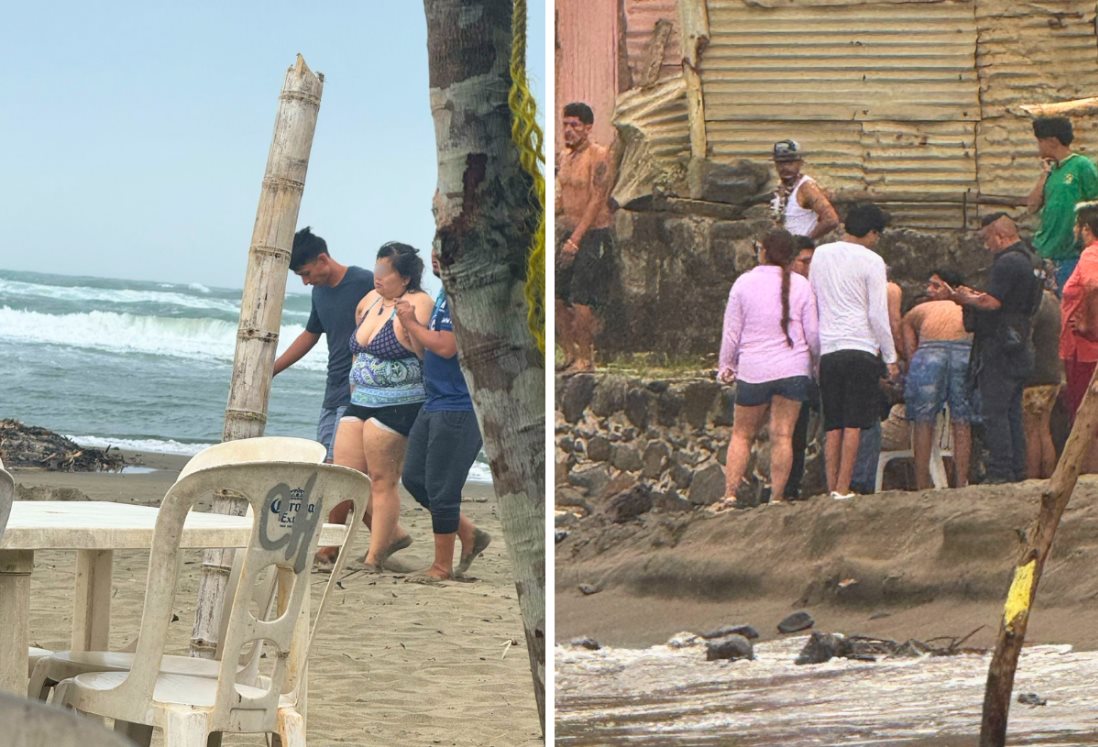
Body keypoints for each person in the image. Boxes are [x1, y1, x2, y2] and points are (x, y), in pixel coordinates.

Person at [315, 242, 435, 572]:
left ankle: (374, 556)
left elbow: (425, 353)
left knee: (382, 480)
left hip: (398, 403)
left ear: (405, 278)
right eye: (377, 270)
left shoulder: (419, 303)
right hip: (360, 399)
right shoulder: (369, 301)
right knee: (345, 476)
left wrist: (410, 325)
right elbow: (358, 349)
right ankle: (332, 545)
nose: (378, 278)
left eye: (385, 273)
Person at [395, 250, 492, 582]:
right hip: (434, 399)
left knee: (442, 487)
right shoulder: (443, 293)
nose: (437, 256)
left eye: (445, 251)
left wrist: (410, 323)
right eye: (435, 250)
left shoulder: (463, 295)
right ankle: (469, 533)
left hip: (458, 405)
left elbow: (447, 346)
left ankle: (441, 566)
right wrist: (411, 331)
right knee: (414, 479)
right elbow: (429, 349)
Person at [713, 229, 819, 509]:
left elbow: (731, 332)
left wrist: (726, 365)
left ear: (763, 251)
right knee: (783, 435)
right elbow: (812, 333)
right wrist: (815, 362)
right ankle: (778, 496)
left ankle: (731, 494)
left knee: (742, 434)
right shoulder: (801, 285)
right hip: (793, 367)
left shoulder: (744, 283)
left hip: (754, 369)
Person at [936, 214, 1041, 483]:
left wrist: (959, 297)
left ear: (999, 235)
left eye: (986, 240)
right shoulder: (1032, 260)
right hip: (1020, 342)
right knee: (1012, 412)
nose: (986, 246)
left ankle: (1000, 471)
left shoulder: (1007, 262)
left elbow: (993, 303)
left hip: (1000, 346)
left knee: (995, 411)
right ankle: (1017, 469)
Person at [809, 203, 899, 500]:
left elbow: (814, 301)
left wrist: (814, 350)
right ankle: (844, 487)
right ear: (872, 232)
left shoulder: (820, 254)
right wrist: (890, 356)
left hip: (829, 348)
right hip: (860, 346)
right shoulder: (872, 260)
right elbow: (877, 314)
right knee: (854, 422)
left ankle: (831, 483)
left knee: (833, 422)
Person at [273, 227, 374, 461]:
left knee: (342, 462)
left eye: (306, 273)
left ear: (322, 259)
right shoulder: (319, 293)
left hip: (358, 389)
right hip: (333, 388)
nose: (306, 282)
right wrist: (273, 369)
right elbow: (310, 334)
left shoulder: (364, 282)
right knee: (324, 459)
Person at [901, 269, 975, 489]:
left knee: (924, 419)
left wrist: (912, 358)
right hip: (964, 350)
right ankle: (961, 482)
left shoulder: (921, 310)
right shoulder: (969, 305)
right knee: (962, 418)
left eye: (936, 286)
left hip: (930, 351)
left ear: (951, 287)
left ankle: (922, 483)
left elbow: (905, 327)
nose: (929, 290)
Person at [556, 102, 614, 375]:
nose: (568, 130)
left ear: (588, 128)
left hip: (592, 234)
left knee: (581, 297)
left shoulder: (599, 155)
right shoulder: (564, 157)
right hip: (568, 232)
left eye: (574, 125)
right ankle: (568, 353)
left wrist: (576, 240)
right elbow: (560, 198)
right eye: (565, 124)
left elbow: (596, 200)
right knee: (557, 296)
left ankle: (585, 358)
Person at [1027, 116, 1098, 290]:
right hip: (1045, 252)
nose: (1038, 147)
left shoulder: (1082, 165)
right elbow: (1032, 206)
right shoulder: (1052, 171)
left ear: (1052, 141)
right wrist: (1045, 174)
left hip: (1070, 254)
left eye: (1040, 142)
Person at [1061, 202, 1098, 465]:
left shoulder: (1090, 255)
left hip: (1084, 351)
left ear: (1086, 229)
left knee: (1085, 423)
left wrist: (1088, 323)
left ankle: (1087, 481)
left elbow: (1093, 284)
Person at [787, 236, 819, 499]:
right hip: (787, 366)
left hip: (801, 368)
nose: (808, 268)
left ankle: (791, 487)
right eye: (804, 262)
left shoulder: (811, 289)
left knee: (797, 435)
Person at [1024, 274, 1063, 479]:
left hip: (1034, 375)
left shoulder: (1034, 302)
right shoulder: (1054, 302)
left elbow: (1026, 336)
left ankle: (1032, 477)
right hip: (1052, 373)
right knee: (1044, 429)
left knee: (1031, 431)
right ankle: (1048, 475)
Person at [770, 139, 840, 240]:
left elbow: (831, 219)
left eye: (790, 163)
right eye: (780, 163)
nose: (784, 167)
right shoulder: (781, 187)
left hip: (801, 252)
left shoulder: (806, 187)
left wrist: (806, 242)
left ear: (800, 163)